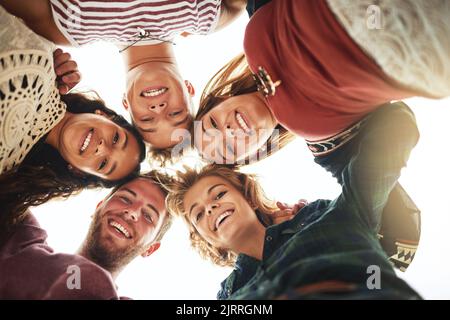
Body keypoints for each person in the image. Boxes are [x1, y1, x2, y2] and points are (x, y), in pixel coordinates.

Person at [167, 102, 422, 299]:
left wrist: (330, 152)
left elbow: (397, 124)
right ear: (205, 239)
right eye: (198, 214)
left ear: (249, 198)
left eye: (219, 194)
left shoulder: (327, 218)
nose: (210, 207)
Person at [194, 0, 449, 164]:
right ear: (254, 152)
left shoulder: (255, 24)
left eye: (213, 123)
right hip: (411, 56)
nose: (226, 131)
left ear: (219, 101)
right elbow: (361, 202)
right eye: (228, 147)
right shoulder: (327, 149)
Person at [0, 0, 248, 163]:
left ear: (125, 103)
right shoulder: (207, 17)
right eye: (175, 113)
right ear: (189, 88)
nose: (159, 109)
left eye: (147, 120)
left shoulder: (69, 30)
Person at [0, 6, 146, 232]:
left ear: (78, 171)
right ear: (105, 116)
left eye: (104, 163)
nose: (102, 148)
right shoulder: (53, 60)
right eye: (116, 138)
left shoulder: (7, 174)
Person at [0, 173, 172, 299]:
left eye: (148, 216)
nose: (132, 212)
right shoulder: (22, 236)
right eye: (125, 199)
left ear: (150, 249)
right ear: (98, 207)